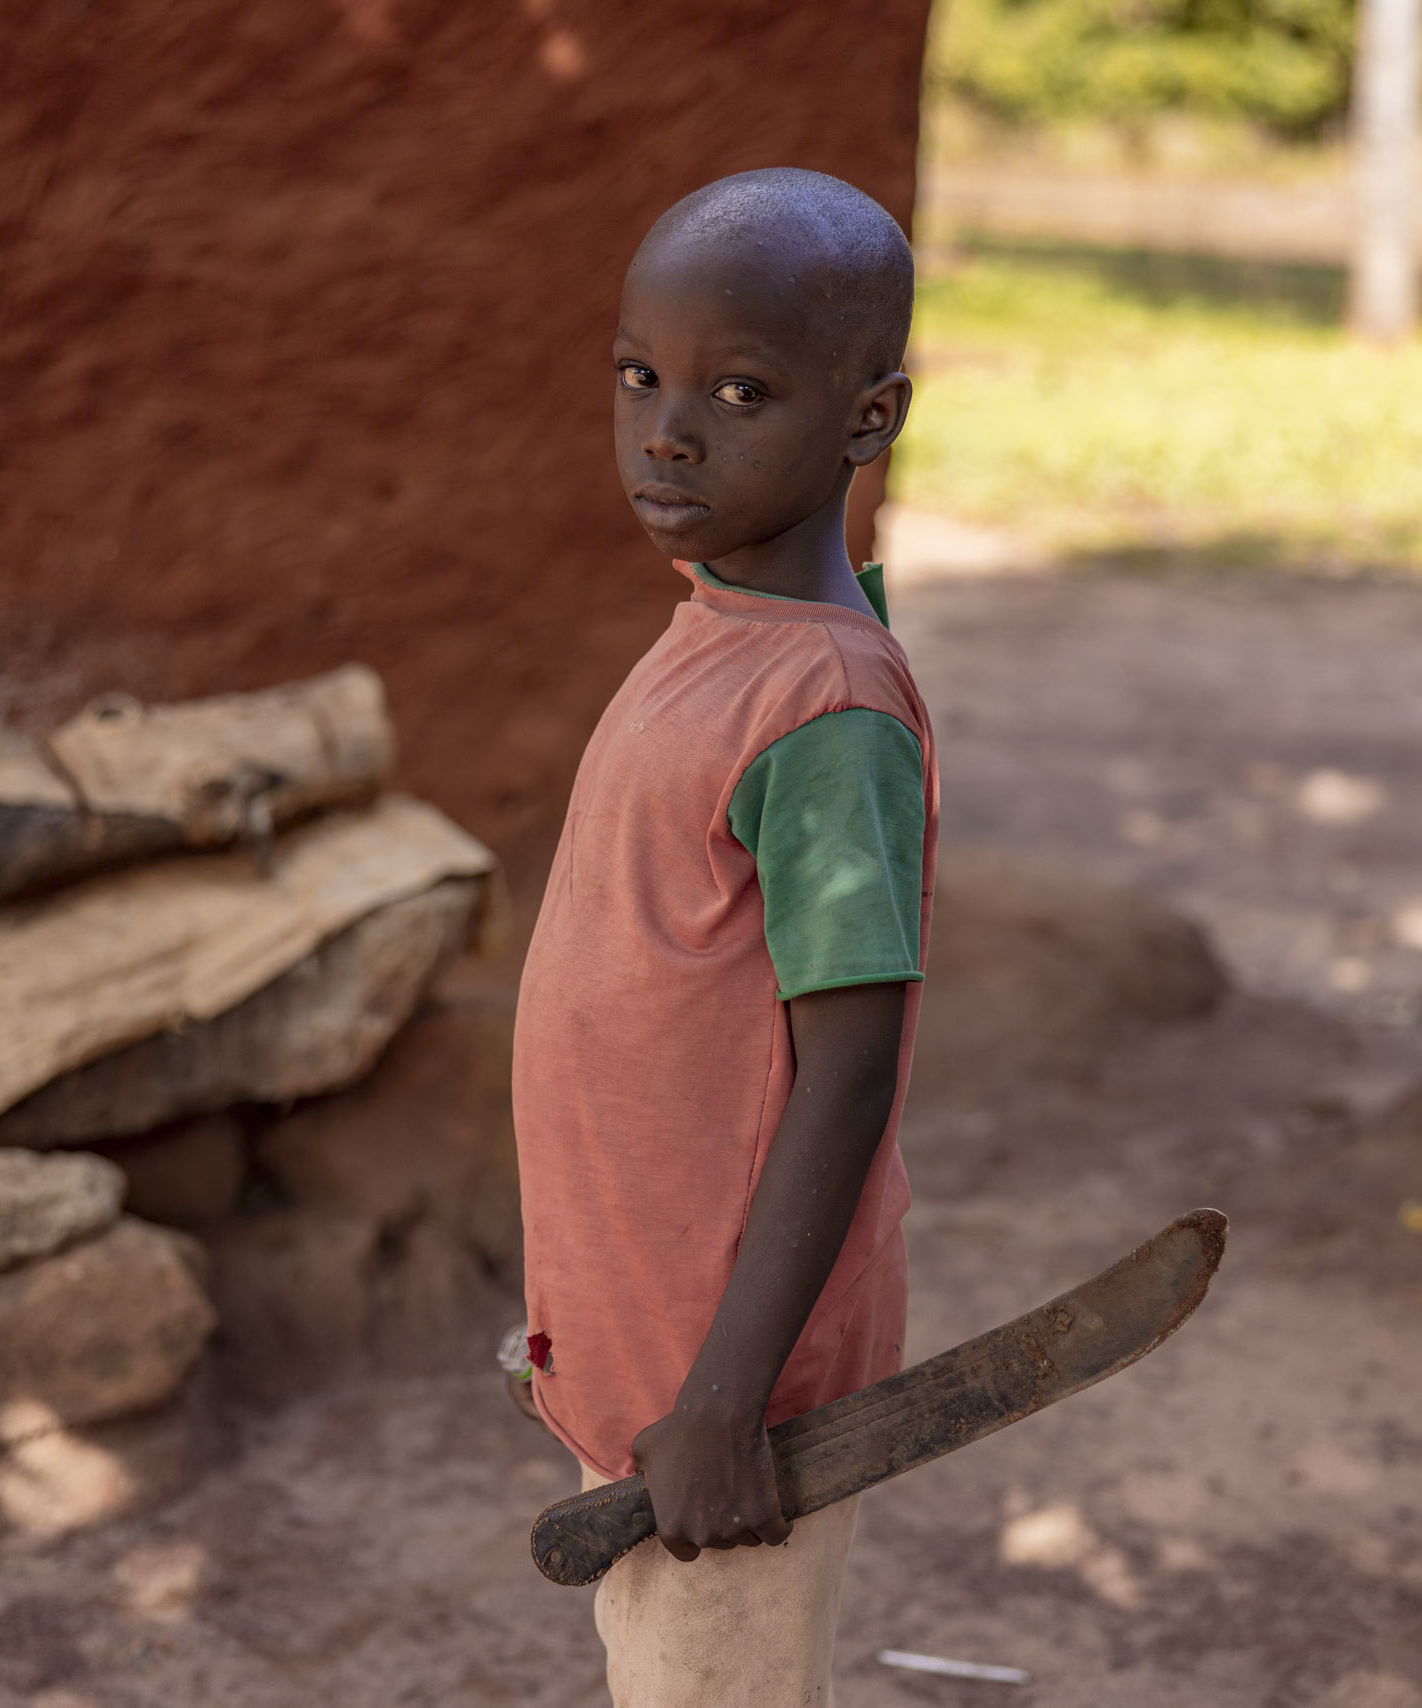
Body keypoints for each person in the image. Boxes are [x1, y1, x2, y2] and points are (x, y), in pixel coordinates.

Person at [509, 166, 935, 1707]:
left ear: (866, 420)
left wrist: (729, 1396)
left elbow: (850, 1072)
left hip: (733, 1399)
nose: (668, 430)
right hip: (662, 1360)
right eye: (640, 377)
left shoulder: (823, 708)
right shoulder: (717, 630)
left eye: (740, 390)